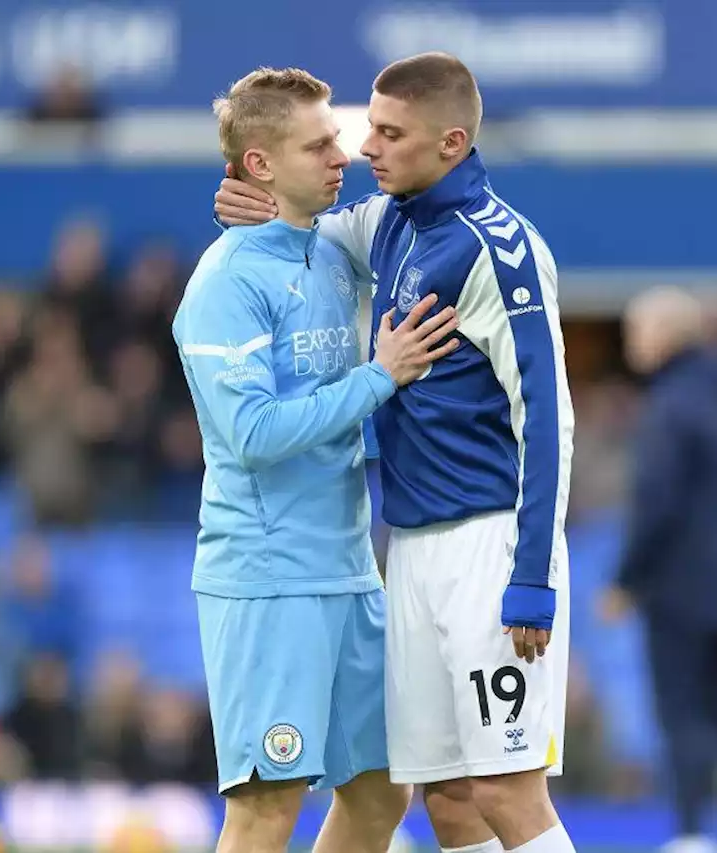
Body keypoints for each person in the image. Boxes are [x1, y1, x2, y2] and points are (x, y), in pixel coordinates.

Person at [216, 53, 577, 853]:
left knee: (506, 790)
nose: (364, 149)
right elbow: (297, 221)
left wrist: (531, 577)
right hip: (408, 549)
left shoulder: (501, 249)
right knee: (448, 799)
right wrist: (255, 198)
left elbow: (547, 416)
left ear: (451, 142)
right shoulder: (386, 223)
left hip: (490, 544)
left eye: (388, 132)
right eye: (363, 128)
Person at [174, 67, 461, 853]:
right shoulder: (224, 284)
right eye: (320, 144)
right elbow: (254, 434)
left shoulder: (332, 248)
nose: (345, 155)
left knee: (379, 797)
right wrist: (381, 375)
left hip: (348, 571)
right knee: (268, 805)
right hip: (269, 580)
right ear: (261, 165)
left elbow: (416, 207)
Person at [601, 287, 717, 853]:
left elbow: (656, 501)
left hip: (679, 587)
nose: (631, 344)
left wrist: (626, 580)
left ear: (667, 335)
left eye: (637, 331)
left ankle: (692, 831)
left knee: (682, 710)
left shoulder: (671, 403)